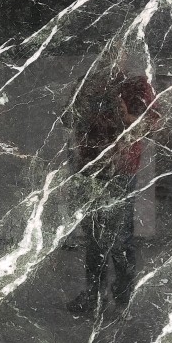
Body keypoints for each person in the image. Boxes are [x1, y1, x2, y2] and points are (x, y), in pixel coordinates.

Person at [68, 65, 159, 315]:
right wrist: (82, 103)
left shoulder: (136, 86)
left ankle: (122, 300)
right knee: (93, 238)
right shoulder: (87, 82)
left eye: (114, 49)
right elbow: (67, 120)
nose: (108, 55)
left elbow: (154, 126)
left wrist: (125, 116)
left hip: (120, 170)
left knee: (120, 238)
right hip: (89, 168)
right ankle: (94, 296)